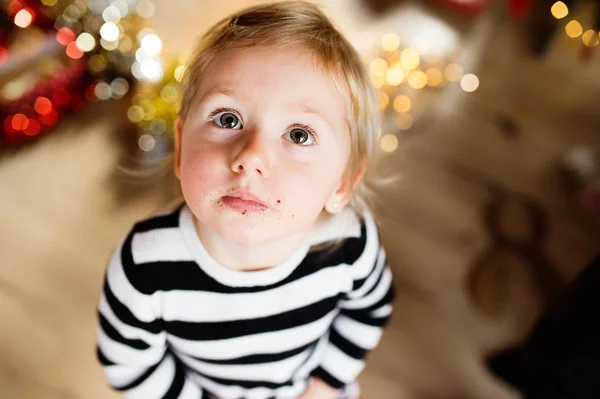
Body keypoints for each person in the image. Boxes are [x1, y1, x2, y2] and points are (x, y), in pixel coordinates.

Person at [95, 2, 395, 398]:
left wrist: (326, 383)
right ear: (182, 144)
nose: (251, 157)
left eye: (299, 135)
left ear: (341, 184)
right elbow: (130, 364)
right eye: (228, 119)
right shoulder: (145, 266)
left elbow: (369, 308)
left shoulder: (349, 244)